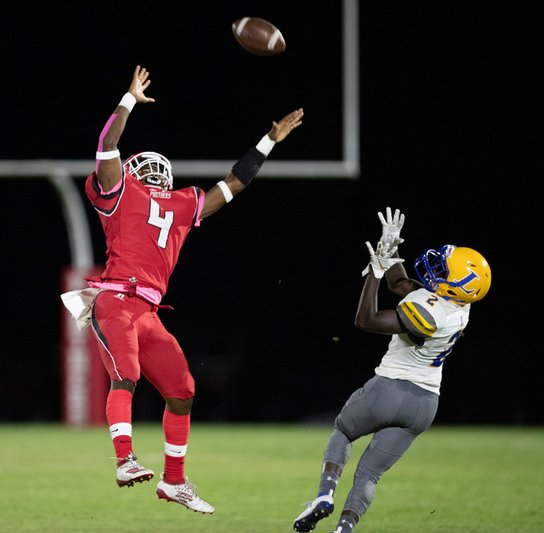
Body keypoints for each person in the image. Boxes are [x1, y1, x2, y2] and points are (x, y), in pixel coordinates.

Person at [61, 65, 303, 514]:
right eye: (145, 168)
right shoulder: (119, 192)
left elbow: (233, 186)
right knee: (125, 375)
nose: (152, 174)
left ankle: (174, 481)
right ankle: (124, 460)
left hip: (149, 311)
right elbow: (107, 144)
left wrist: (268, 141)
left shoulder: (181, 203)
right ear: (131, 173)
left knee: (183, 388)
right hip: (114, 297)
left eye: (158, 170)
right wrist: (129, 98)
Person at [292, 207, 492, 533]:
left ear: (459, 285)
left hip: (391, 388)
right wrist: (391, 251)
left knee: (343, 431)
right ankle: (344, 529)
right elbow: (401, 284)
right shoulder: (459, 308)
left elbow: (366, 320)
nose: (437, 268)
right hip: (425, 405)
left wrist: (374, 270)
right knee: (370, 474)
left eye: (445, 270)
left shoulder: (430, 314)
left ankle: (324, 495)